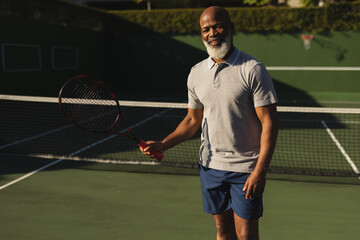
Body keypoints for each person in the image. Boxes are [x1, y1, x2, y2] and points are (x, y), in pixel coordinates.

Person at [142, 6, 278, 240]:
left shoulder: (253, 69)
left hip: (245, 169)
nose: (212, 32)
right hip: (210, 167)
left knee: (246, 235)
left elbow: (270, 123)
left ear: (231, 28)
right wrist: (164, 144)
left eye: (218, 26)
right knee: (222, 232)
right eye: (206, 29)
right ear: (201, 34)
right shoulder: (196, 73)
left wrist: (260, 171)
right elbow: (192, 120)